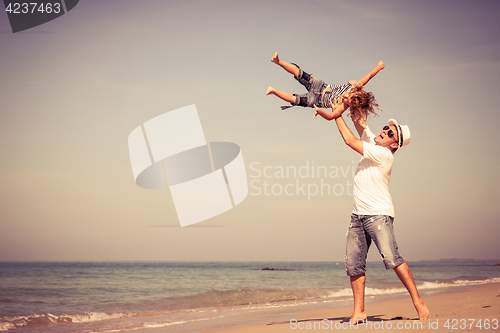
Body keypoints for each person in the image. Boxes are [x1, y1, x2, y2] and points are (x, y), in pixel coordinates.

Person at [325, 97, 429, 324]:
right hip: (357, 215)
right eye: (385, 128)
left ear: (394, 145)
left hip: (379, 215)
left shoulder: (384, 155)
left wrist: (336, 114)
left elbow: (350, 140)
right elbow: (360, 122)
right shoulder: (374, 143)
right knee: (353, 264)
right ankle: (359, 311)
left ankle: (418, 302)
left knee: (392, 258)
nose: (384, 132)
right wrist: (352, 97)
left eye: (390, 134)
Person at [265, 52, 384, 122]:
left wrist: (320, 112)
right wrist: (379, 67)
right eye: (347, 96)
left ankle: (274, 91)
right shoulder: (356, 86)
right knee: (299, 73)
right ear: (354, 92)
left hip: (317, 100)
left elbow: (331, 116)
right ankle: (278, 61)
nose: (344, 97)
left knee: (295, 99)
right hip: (321, 86)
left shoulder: (344, 106)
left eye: (347, 101)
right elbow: (368, 76)